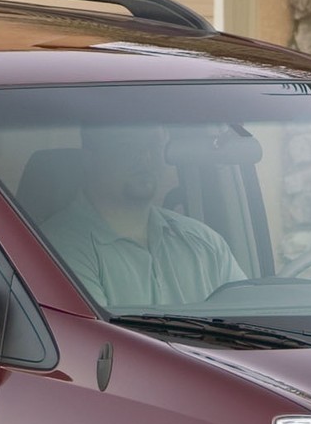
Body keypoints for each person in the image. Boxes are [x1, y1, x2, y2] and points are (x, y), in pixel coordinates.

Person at [42, 125, 243, 310]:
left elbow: (247, 323)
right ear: (89, 159)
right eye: (127, 146)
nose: (146, 158)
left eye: (154, 145)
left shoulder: (205, 244)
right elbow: (88, 336)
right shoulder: (54, 249)